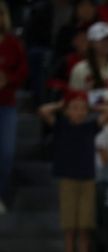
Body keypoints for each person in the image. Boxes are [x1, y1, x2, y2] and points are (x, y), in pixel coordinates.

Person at [39, 93, 108, 252]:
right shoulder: (61, 126)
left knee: (84, 228)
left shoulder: (90, 127)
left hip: (87, 180)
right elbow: (43, 111)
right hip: (67, 181)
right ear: (66, 111)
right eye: (74, 108)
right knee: (69, 229)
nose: (79, 111)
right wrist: (59, 105)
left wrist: (92, 108)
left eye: (82, 108)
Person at [0, 1, 28, 210]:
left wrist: (7, 79)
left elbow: (23, 72)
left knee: (6, 153)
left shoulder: (13, 43)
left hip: (6, 104)